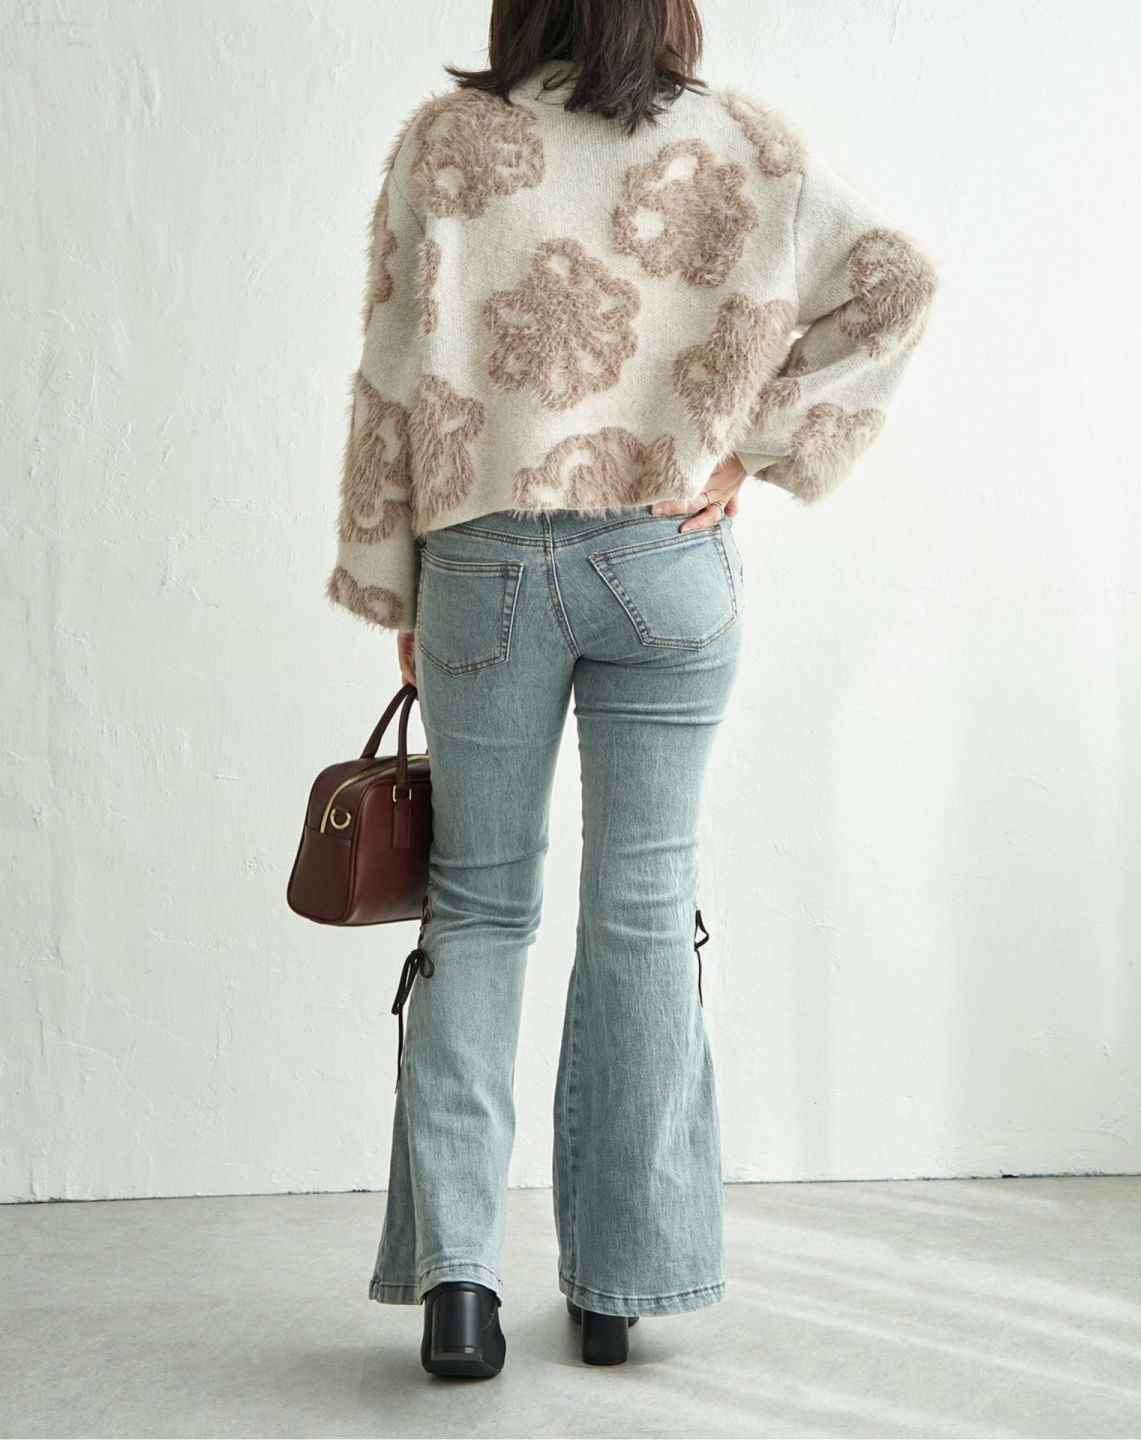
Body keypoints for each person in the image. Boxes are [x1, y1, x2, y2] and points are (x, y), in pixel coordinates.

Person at [325, 0, 937, 1377]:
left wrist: (393, 586)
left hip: (483, 562)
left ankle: (459, 1288)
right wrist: (749, 451)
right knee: (645, 911)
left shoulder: (447, 144)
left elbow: (389, 371)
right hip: (666, 561)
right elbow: (896, 283)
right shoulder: (747, 144)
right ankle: (622, 1284)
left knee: (479, 907)